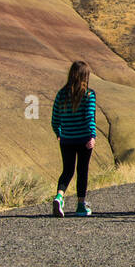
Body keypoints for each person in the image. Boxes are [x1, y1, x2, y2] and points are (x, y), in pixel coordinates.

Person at [50, 61, 96, 217]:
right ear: (85, 76)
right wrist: (92, 135)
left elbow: (55, 118)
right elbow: (90, 117)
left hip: (66, 139)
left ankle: (59, 197)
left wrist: (59, 132)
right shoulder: (89, 94)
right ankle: (81, 205)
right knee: (82, 171)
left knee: (67, 170)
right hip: (83, 139)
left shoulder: (61, 94)